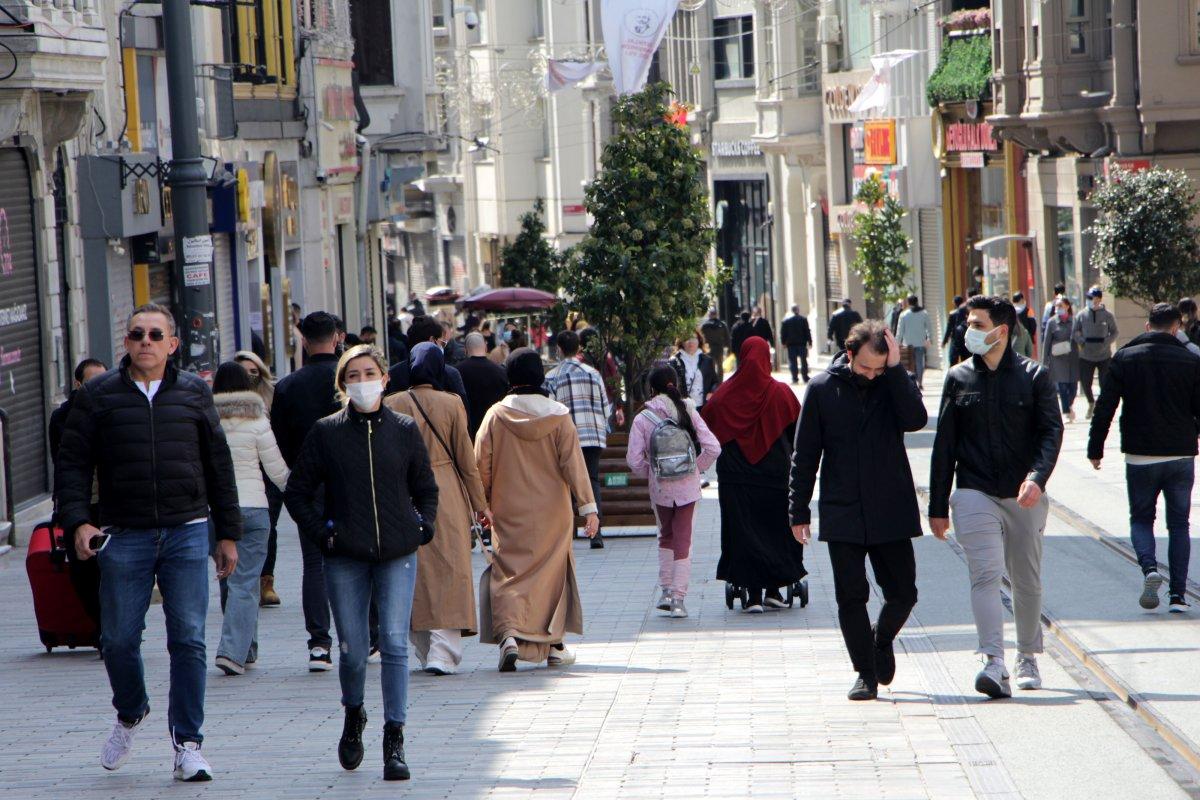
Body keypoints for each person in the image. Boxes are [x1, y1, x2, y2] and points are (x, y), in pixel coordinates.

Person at [55, 302, 242, 782]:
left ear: (172, 344)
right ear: (126, 341)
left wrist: (228, 533)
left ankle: (188, 744)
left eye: (156, 335)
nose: (145, 342)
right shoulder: (98, 396)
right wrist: (77, 522)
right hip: (124, 533)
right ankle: (131, 709)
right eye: (137, 334)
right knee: (117, 639)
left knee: (189, 640)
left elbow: (219, 465)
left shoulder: (195, 394)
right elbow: (72, 465)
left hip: (186, 530)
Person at [285, 344, 438, 781]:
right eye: (353, 375)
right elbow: (297, 492)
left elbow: (425, 487)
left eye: (369, 373)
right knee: (352, 650)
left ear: (385, 379)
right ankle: (354, 713)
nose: (363, 381)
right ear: (343, 384)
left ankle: (395, 737)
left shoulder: (405, 429)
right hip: (345, 555)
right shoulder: (326, 432)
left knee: (392, 641)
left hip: (397, 553)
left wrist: (422, 526)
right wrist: (324, 533)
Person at [929, 295, 1063, 699]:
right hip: (974, 491)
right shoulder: (958, 378)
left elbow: (1050, 433)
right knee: (985, 574)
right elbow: (944, 445)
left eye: (976, 323)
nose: (967, 330)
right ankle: (993, 660)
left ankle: (1026, 655)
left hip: (1023, 494)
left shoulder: (1034, 376)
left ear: (1001, 331)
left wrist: (1037, 479)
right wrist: (938, 506)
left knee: (1026, 579)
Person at [790, 322, 926, 701]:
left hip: (891, 507)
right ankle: (865, 673)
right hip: (842, 508)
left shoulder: (892, 382)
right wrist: (797, 509)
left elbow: (915, 419)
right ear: (849, 355)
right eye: (866, 367)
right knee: (851, 597)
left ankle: (880, 640)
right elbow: (805, 455)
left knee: (903, 593)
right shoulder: (821, 389)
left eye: (878, 368)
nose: (871, 375)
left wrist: (896, 371)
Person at [475, 348, 600, 671]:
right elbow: (574, 465)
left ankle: (510, 635)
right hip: (553, 511)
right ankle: (554, 643)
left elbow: (481, 465)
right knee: (551, 575)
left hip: (508, 508)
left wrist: (481, 505)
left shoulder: (496, 416)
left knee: (509, 573)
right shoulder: (559, 416)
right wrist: (588, 508)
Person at [1088, 303, 1200, 614]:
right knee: (1179, 523)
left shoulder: (1125, 357)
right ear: (1176, 328)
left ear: (1147, 326)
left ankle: (1150, 568)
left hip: (1140, 455)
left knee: (1141, 518)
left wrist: (1095, 448)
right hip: (1180, 455)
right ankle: (1178, 595)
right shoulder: (1190, 360)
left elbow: (1105, 406)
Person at [385, 343, 491, 674]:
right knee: (450, 567)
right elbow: (465, 457)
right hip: (444, 489)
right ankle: (443, 652)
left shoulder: (392, 403)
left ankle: (425, 648)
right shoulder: (452, 403)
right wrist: (480, 505)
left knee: (412, 571)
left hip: (404, 492)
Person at [701, 337, 805, 613]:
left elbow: (706, 428)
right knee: (776, 530)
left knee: (742, 532)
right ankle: (774, 590)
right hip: (775, 477)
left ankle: (753, 596)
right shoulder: (781, 393)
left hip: (736, 479)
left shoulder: (724, 395)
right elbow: (799, 436)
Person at [271, 311, 342, 671]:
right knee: (361, 556)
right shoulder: (348, 381)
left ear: (303, 340)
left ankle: (319, 644)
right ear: (338, 338)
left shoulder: (287, 386)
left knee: (314, 563)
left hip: (307, 483)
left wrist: (297, 473)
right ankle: (371, 635)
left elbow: (279, 439)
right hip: (350, 481)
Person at [209, 362, 289, 676]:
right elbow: (278, 471)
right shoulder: (258, 421)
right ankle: (232, 652)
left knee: (229, 579)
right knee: (245, 582)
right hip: (254, 510)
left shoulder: (205, 422)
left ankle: (246, 648)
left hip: (215, 514)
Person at [626, 365, 721, 619]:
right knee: (684, 543)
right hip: (688, 489)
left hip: (660, 489)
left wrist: (654, 472)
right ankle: (679, 600)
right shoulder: (687, 409)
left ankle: (666, 592)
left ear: (651, 389)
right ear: (674, 384)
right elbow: (713, 447)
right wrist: (694, 469)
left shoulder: (642, 418)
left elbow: (634, 461)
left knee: (665, 538)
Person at [48, 357, 108, 635]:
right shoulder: (62, 417)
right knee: (82, 570)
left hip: (108, 504)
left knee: (112, 568)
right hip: (79, 503)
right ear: (78, 383)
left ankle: (116, 627)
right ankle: (101, 627)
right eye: (91, 381)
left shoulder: (113, 409)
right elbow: (62, 463)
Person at [545, 330, 612, 549]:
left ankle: (566, 534)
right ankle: (596, 533)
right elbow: (605, 406)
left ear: (559, 349)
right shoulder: (593, 373)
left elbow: (550, 410)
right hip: (593, 434)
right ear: (579, 348)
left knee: (565, 483)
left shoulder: (552, 376)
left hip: (567, 437)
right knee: (591, 480)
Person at [234, 350, 283, 608]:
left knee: (268, 527)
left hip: (267, 471)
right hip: (239, 475)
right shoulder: (222, 402)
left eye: (254, 372)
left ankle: (266, 580)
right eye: (244, 372)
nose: (250, 377)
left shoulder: (272, 397)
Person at [387, 315, 468, 408]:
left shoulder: (394, 374)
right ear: (432, 340)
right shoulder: (449, 374)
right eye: (442, 343)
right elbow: (464, 413)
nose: (443, 347)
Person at [1073, 286, 1119, 419]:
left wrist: (1106, 342)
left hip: (1104, 354)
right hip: (1086, 354)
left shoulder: (1108, 315)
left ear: (1098, 299)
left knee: (1104, 382)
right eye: (1088, 298)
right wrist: (1082, 341)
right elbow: (1075, 331)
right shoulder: (1081, 315)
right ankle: (1091, 402)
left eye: (1091, 298)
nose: (1089, 300)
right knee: (1085, 382)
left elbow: (1115, 332)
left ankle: (1101, 407)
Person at [456, 332, 510, 440]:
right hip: (495, 430)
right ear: (485, 347)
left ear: (465, 350)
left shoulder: (456, 372)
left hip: (467, 432)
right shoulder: (501, 372)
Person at [1042, 295, 1081, 423]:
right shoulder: (1051, 322)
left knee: (1073, 387)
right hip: (1057, 358)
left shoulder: (1074, 321)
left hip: (1072, 357)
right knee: (1062, 387)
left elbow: (1080, 337)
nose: (1058, 308)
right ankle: (1066, 411)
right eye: (1057, 306)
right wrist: (1044, 362)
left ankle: (1069, 406)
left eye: (1061, 306)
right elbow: (1046, 342)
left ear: (1067, 306)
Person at [580, 327, 626, 427]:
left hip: (587, 404)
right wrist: (619, 406)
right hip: (607, 403)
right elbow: (614, 381)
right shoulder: (606, 357)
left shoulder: (581, 361)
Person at [668, 329, 718, 410]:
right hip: (684, 407)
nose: (690, 342)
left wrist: (711, 392)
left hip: (703, 406)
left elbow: (714, 382)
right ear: (681, 342)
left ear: (699, 341)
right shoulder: (674, 362)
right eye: (687, 339)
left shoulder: (707, 360)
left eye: (694, 338)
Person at [895, 295, 933, 390]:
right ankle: (920, 382)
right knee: (919, 363)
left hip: (907, 344)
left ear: (908, 302)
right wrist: (929, 339)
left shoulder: (904, 314)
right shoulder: (924, 313)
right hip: (920, 343)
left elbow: (900, 331)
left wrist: (897, 343)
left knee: (908, 364)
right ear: (917, 301)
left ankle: (910, 382)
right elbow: (929, 328)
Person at [780, 305, 813, 384]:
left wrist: (783, 342)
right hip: (802, 343)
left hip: (791, 344)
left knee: (793, 362)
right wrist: (810, 342)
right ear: (798, 310)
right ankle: (805, 377)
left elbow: (783, 333)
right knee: (804, 361)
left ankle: (795, 378)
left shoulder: (786, 321)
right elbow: (807, 331)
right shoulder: (803, 319)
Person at [701, 308, 731, 382]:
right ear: (716, 314)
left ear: (709, 315)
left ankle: (712, 381)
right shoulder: (722, 324)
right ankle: (719, 382)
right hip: (719, 347)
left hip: (709, 348)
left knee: (711, 365)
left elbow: (701, 338)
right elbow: (727, 337)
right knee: (720, 365)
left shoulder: (705, 326)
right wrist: (728, 348)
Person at [942, 295, 968, 365]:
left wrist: (944, 341)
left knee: (953, 359)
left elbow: (949, 328)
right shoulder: (967, 312)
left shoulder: (952, 314)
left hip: (955, 338)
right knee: (965, 359)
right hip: (965, 338)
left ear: (954, 303)